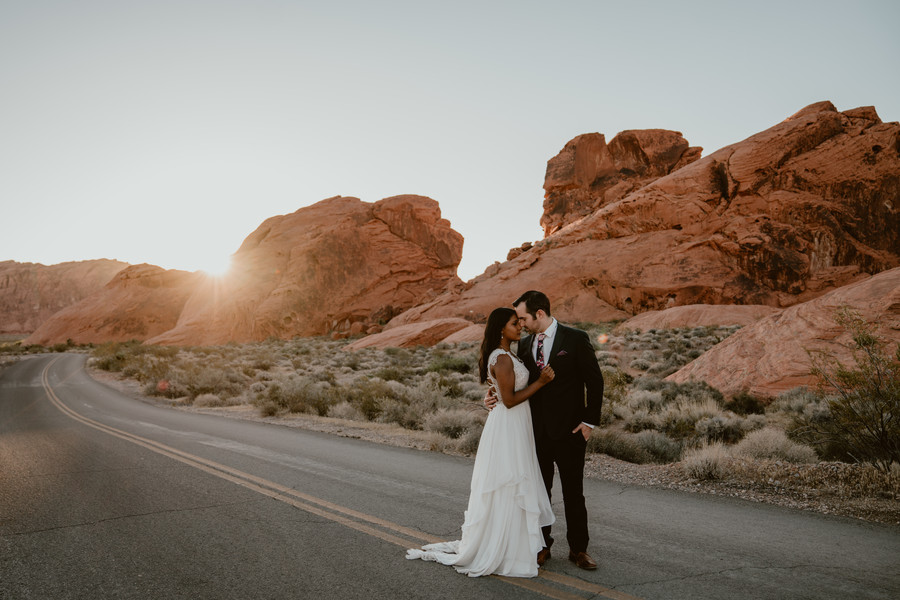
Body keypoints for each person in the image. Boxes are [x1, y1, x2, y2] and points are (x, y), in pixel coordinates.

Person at [406, 307, 556, 577]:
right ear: (501, 328)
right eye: (514, 323)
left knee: (513, 482)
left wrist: (495, 392)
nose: (519, 327)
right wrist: (542, 382)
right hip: (508, 425)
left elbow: (502, 392)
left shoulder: (509, 354)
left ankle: (514, 543)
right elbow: (509, 401)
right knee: (508, 481)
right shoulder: (501, 357)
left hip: (514, 425)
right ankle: (504, 546)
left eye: (520, 322)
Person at [487, 290, 604, 570]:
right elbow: (514, 383)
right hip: (534, 433)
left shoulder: (575, 339)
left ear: (540, 314)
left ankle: (579, 550)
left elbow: (595, 380)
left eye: (524, 317)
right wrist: (492, 396)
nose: (522, 323)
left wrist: (589, 422)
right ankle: (541, 546)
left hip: (571, 432)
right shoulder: (525, 345)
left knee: (574, 493)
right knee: (539, 492)